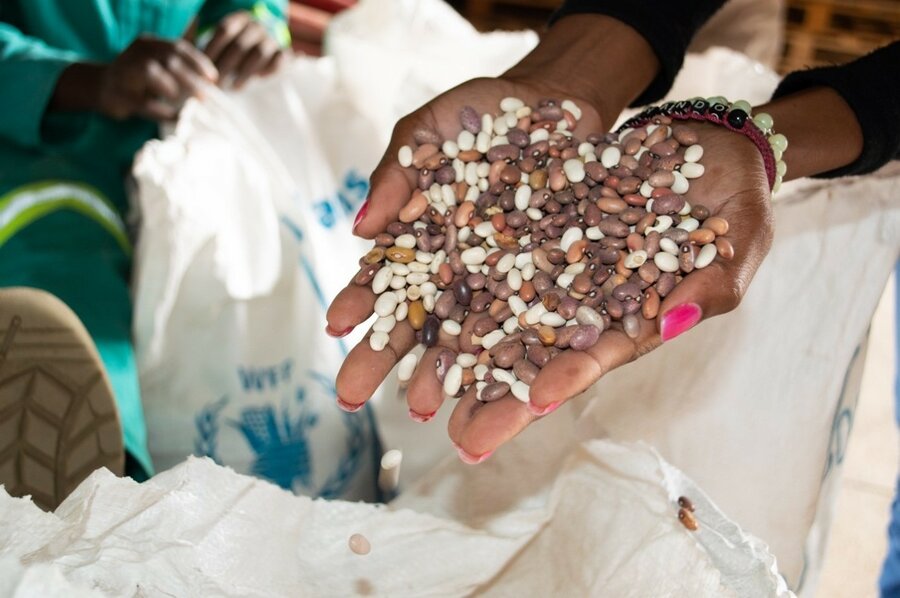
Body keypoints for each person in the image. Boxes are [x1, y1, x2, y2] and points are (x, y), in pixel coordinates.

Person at [0, 0, 289, 510]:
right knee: (67, 297)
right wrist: (88, 81)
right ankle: (100, 495)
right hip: (34, 152)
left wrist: (257, 22)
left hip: (175, 147)